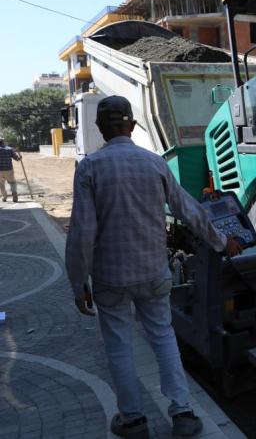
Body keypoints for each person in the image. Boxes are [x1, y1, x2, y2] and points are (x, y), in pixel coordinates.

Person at [65, 96, 242, 439]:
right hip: (153, 273)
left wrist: (77, 282)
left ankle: (132, 420)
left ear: (101, 129)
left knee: (119, 345)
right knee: (163, 339)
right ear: (131, 126)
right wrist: (223, 241)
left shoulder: (90, 167)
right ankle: (183, 414)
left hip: (110, 279)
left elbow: (82, 231)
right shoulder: (154, 163)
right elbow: (189, 210)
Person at [0, 136, 22, 203]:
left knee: (1, 184)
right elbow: (17, 159)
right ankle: (14, 194)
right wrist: (20, 156)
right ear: (3, 142)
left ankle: (4, 197)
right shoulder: (9, 149)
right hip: (9, 170)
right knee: (12, 183)